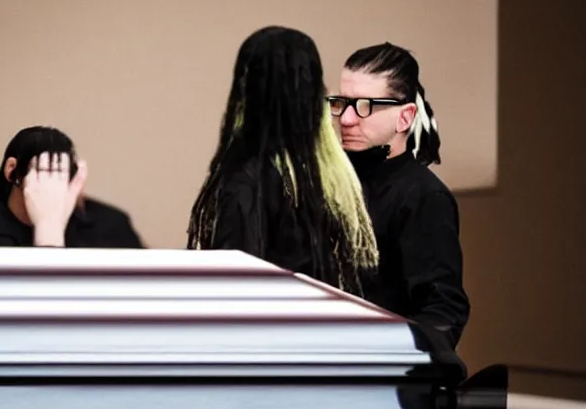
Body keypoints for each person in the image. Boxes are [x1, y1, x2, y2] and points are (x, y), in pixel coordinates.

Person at [186, 26, 378, 295]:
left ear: (247, 92)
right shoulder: (335, 183)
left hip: (280, 331)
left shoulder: (248, 180)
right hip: (322, 330)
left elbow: (234, 291)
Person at [327, 42, 470, 347]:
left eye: (365, 105)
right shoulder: (329, 186)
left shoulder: (423, 197)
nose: (346, 119)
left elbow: (442, 310)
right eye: (341, 103)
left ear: (405, 118)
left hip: (378, 378)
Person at [0, 126, 144, 248]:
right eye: (44, 172)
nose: (55, 185)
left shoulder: (106, 228)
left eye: (64, 174)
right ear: (12, 171)